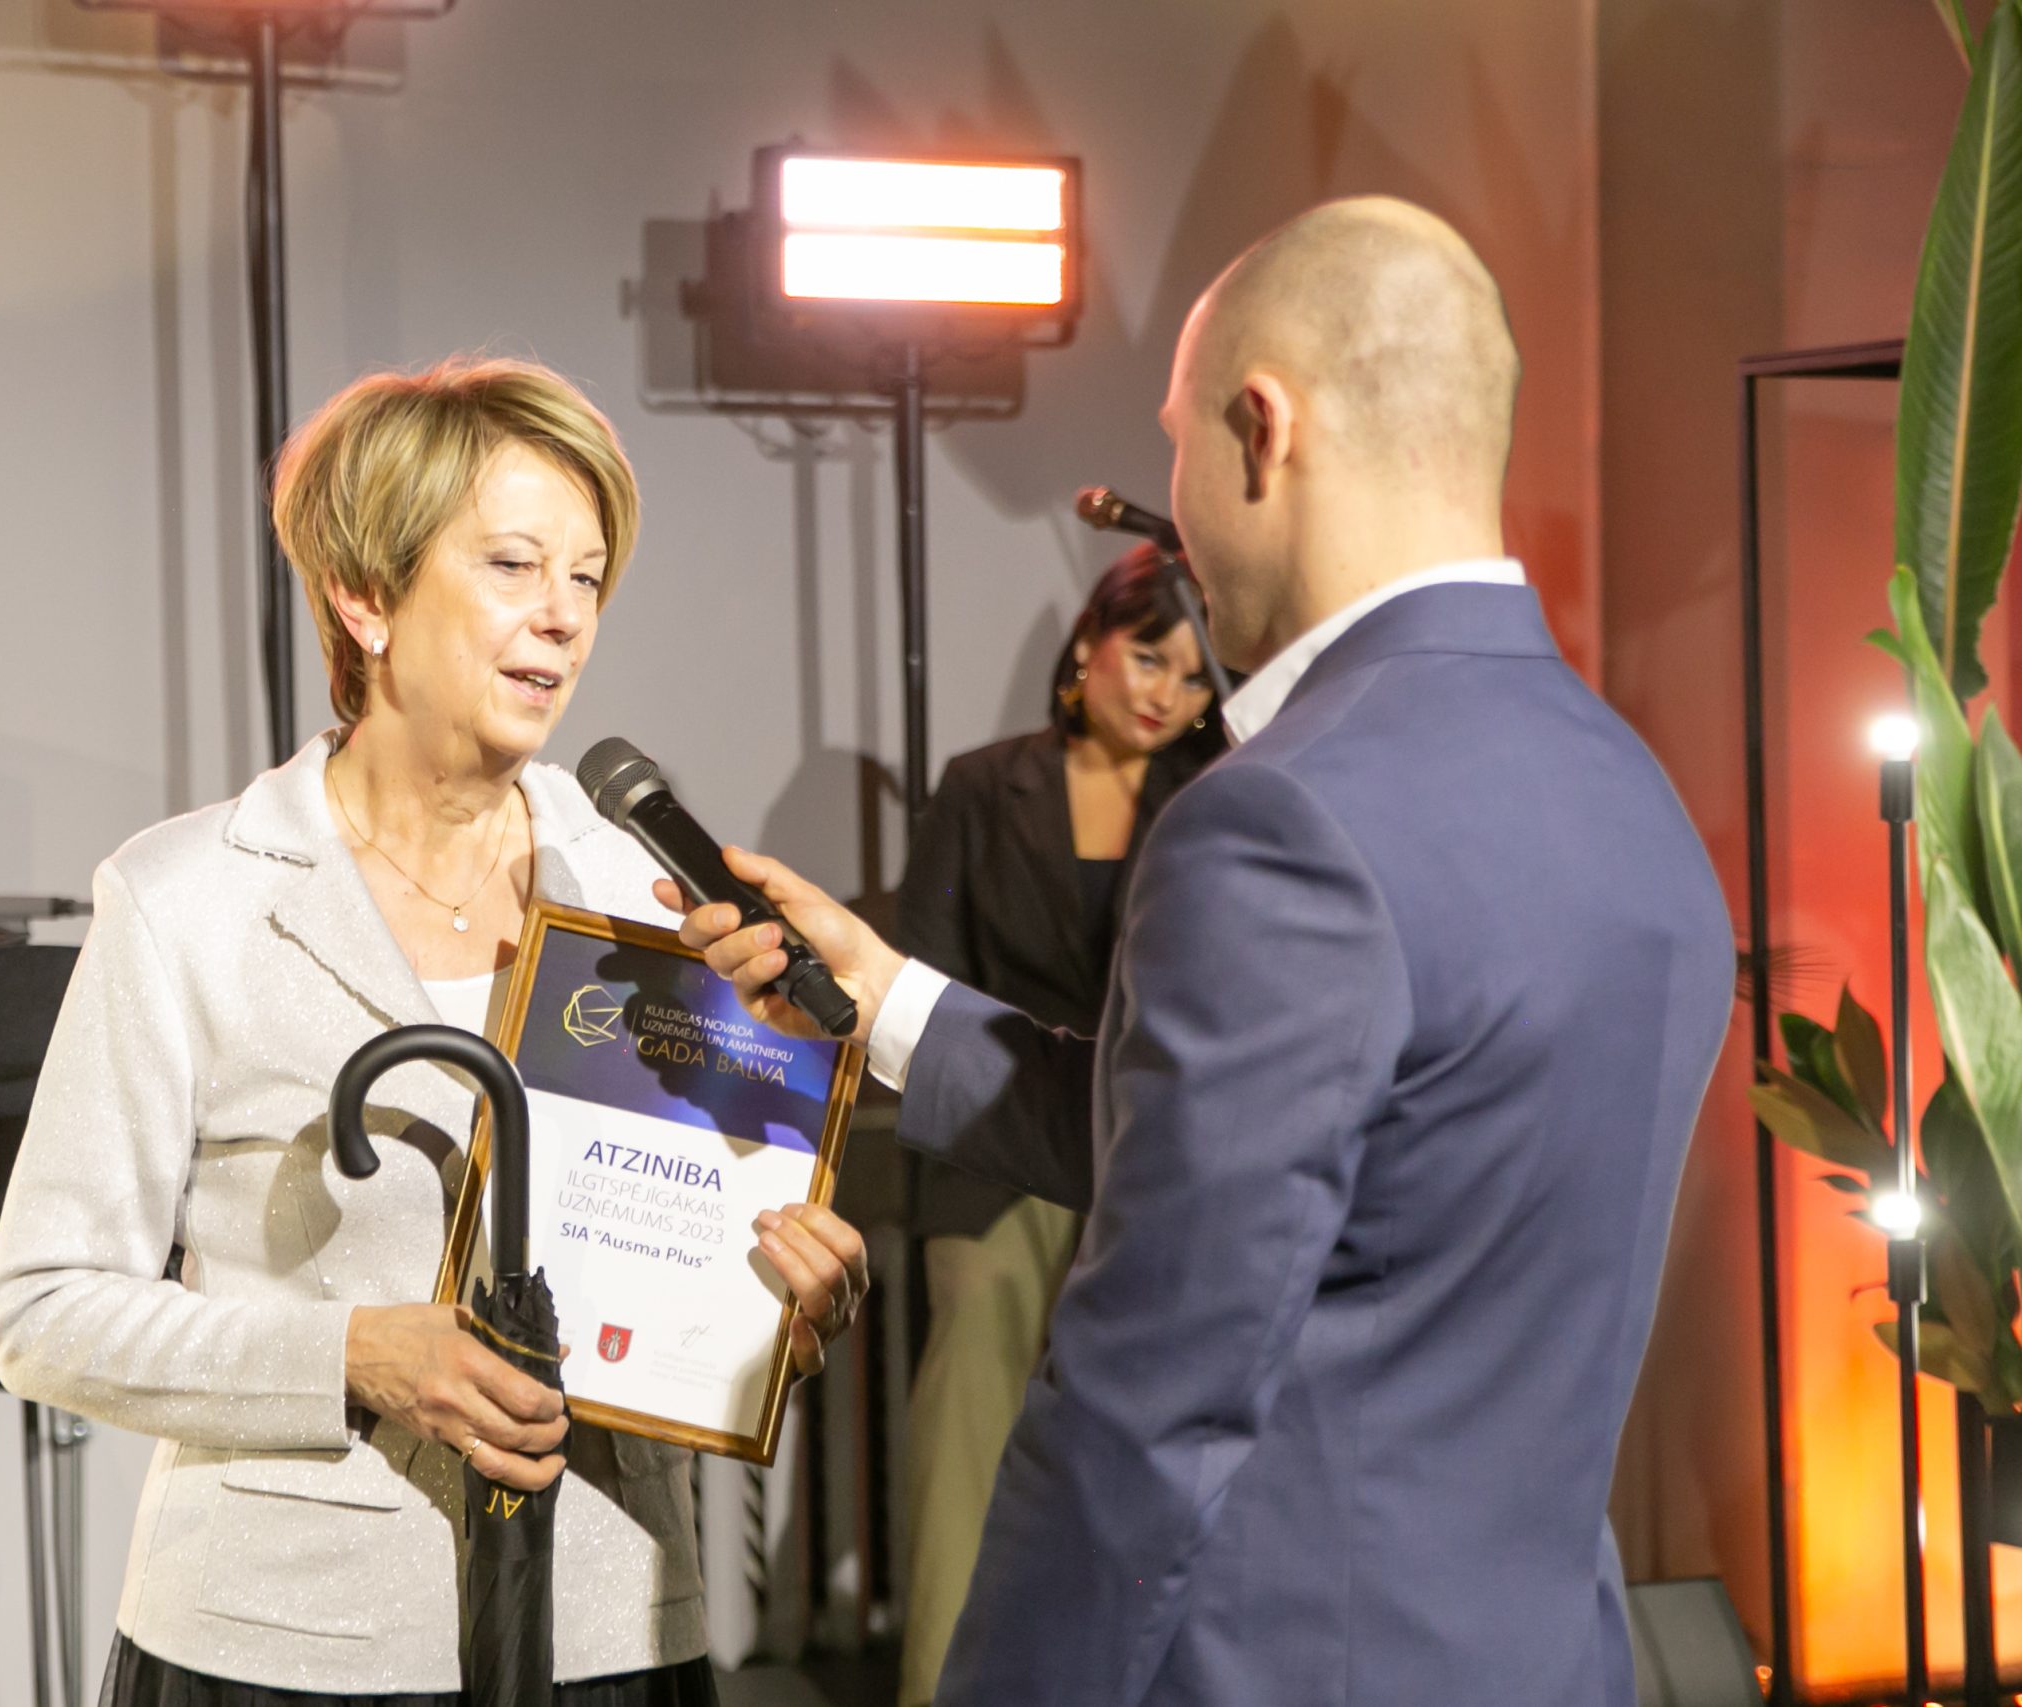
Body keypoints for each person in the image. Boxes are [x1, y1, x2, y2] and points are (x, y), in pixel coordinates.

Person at [662, 198, 1732, 1707]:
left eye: (1174, 441)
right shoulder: (1634, 793)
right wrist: (880, 994)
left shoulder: (1284, 814)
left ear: (1261, 430)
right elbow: (1286, 1174)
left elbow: (1145, 1401)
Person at [0, 357, 868, 1707]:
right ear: (366, 595)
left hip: (609, 1629)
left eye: (586, 578)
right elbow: (43, 1309)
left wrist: (774, 1314)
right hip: (285, 1642)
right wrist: (357, 1355)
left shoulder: (647, 894)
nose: (562, 615)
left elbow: (682, 1277)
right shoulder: (189, 897)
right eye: (513, 564)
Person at [894, 542, 1221, 1707]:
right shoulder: (983, 786)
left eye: (1194, 675)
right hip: (994, 1143)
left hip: (1147, 1153)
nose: (1167, 692)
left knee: (1137, 1440)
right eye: (1148, 655)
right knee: (968, 1416)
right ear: (1089, 643)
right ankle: (938, 1687)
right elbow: (921, 972)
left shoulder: (1223, 799)